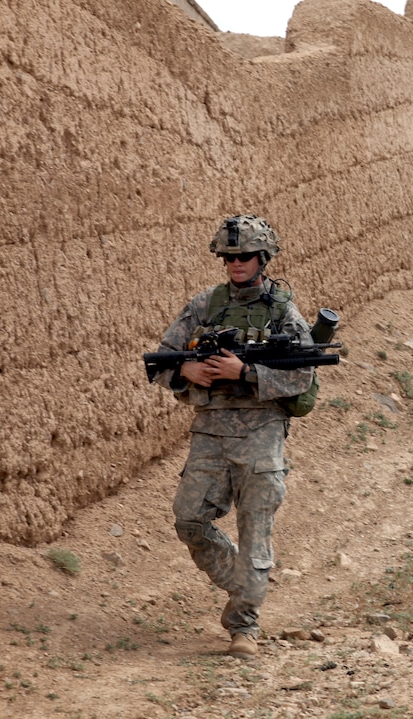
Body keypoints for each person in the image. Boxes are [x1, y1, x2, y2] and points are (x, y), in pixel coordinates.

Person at [151, 215, 315, 659]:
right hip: (209, 432)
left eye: (243, 256)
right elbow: (161, 360)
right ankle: (244, 582)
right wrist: (185, 370)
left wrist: (245, 372)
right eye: (228, 256)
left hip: (261, 435)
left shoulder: (281, 311)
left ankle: (244, 624)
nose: (235, 263)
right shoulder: (205, 305)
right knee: (189, 520)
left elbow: (303, 375)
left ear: (263, 258)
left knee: (255, 531)